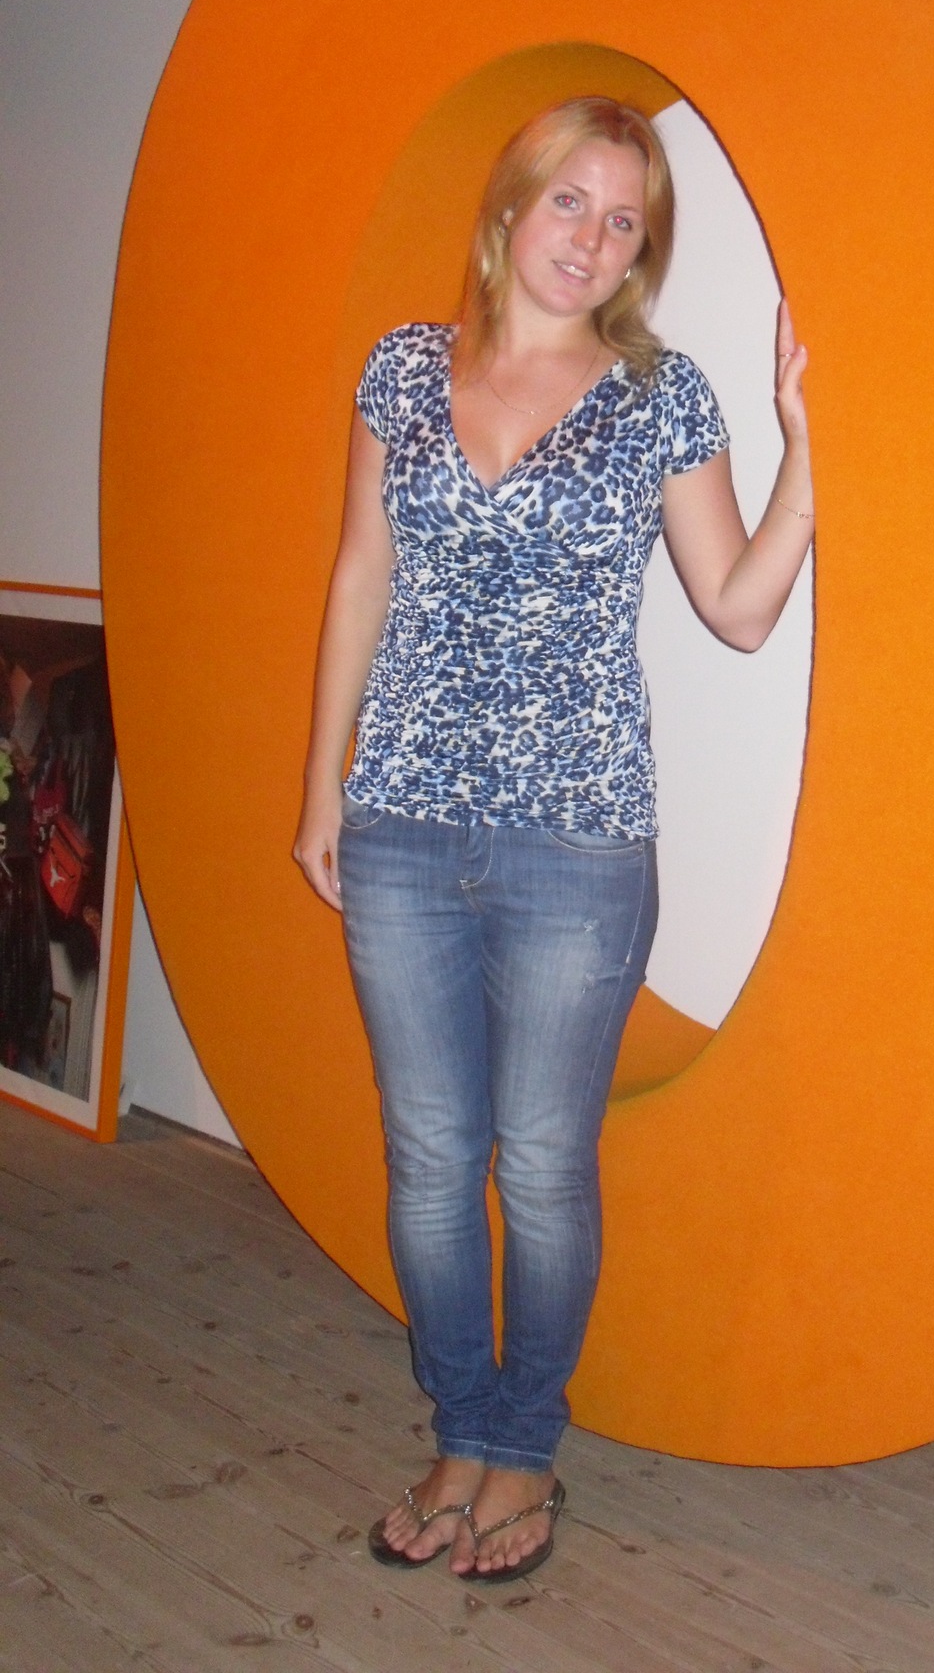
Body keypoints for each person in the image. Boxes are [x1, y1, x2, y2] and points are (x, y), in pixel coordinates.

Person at [293, 96, 812, 1585]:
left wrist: (807, 451)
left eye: (625, 220)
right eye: (571, 201)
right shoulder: (403, 369)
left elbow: (740, 607)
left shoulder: (659, 395)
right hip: (400, 822)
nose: (591, 237)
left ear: (643, 253)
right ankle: (461, 1424)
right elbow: (359, 576)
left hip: (578, 841)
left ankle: (522, 1449)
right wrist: (324, 790)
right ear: (513, 204)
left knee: (538, 1163)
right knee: (426, 1155)